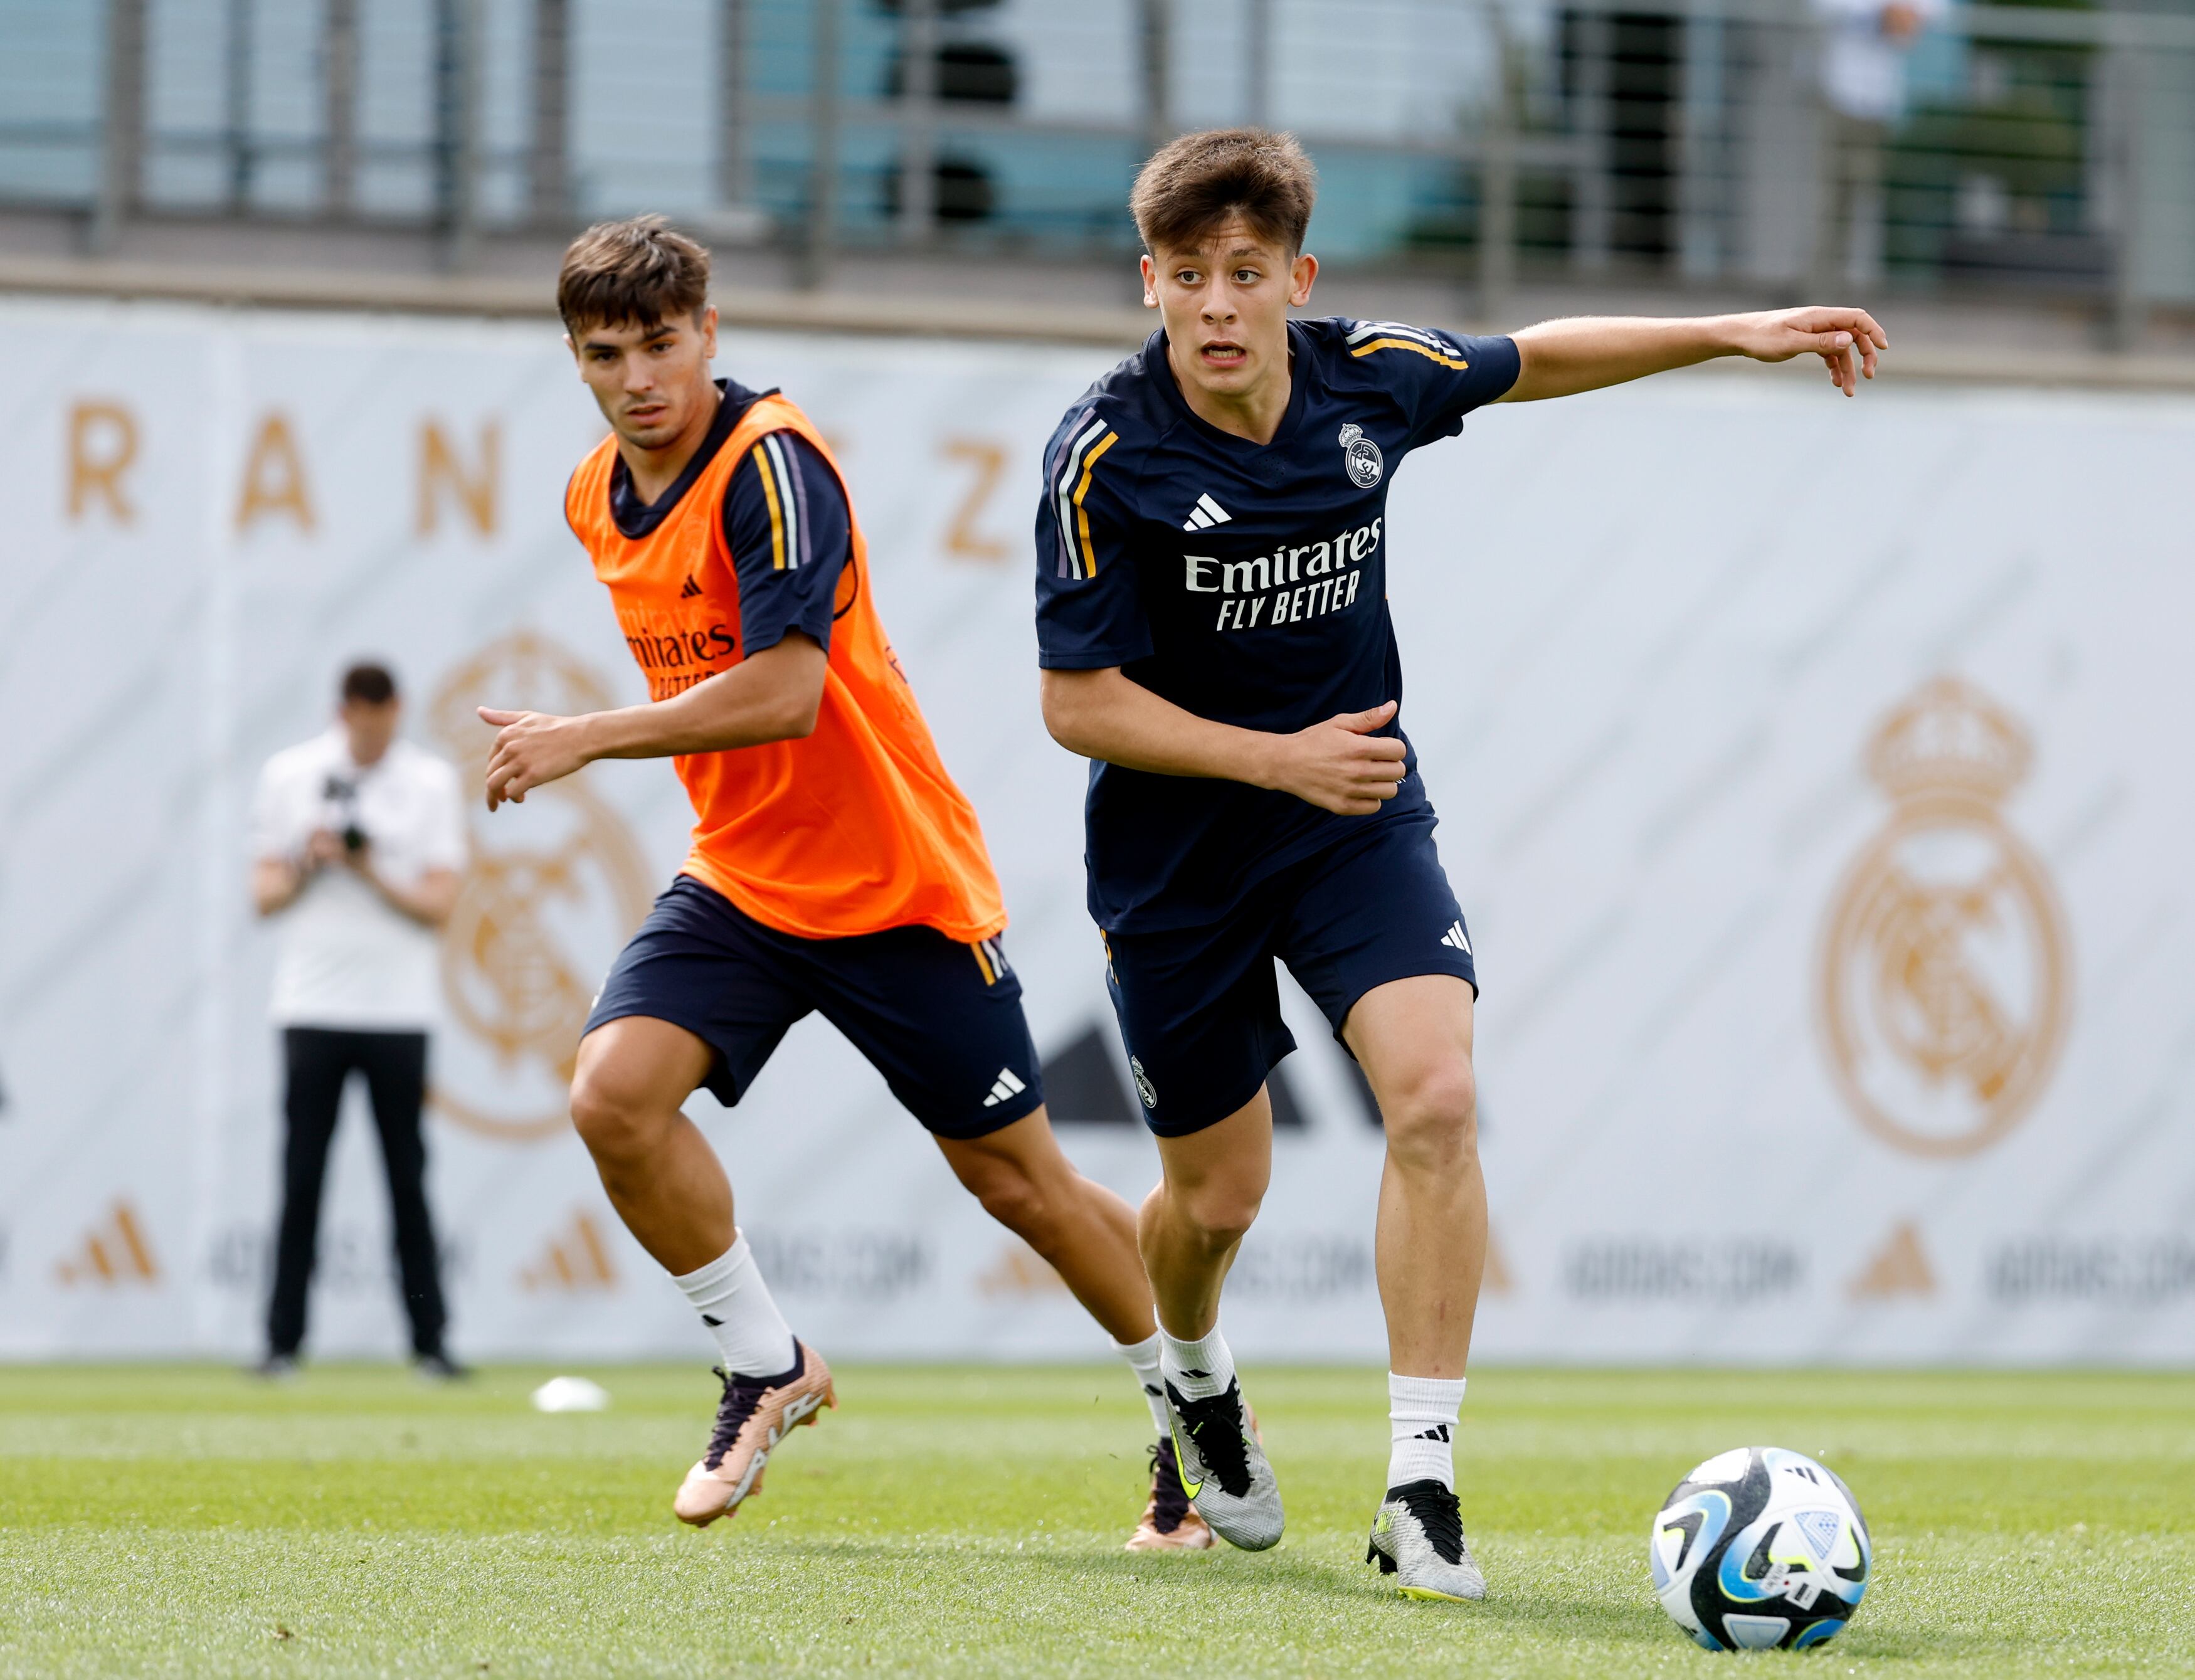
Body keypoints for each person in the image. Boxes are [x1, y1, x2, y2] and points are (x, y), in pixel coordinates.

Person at [1033, 128, 1885, 1600]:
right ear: (1151, 284)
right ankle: (1191, 1376)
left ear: (1297, 278)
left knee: (1433, 1094)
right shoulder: (1104, 450)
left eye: (1246, 274)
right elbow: (1075, 704)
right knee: (1217, 1199)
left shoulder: (1366, 373)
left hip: (1356, 814)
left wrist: (1732, 334)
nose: (1217, 304)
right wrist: (1271, 755)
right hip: (1177, 854)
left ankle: (1420, 1482)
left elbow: (1533, 357)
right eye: (1186, 276)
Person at [477, 216, 1205, 1550]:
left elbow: (786, 690)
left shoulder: (775, 467)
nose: (638, 376)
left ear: (707, 332)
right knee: (613, 1098)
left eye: (660, 343)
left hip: (894, 887)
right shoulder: (595, 493)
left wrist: (585, 734)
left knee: (1022, 1186)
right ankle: (765, 1361)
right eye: (605, 353)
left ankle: (1194, 1414)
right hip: (744, 882)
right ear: (575, 360)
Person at [249, 661, 468, 1379]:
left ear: (397, 711)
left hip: (399, 1010)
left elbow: (439, 907)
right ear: (341, 711)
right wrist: (309, 860)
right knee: (301, 1175)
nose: (369, 731)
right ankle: (281, 1344)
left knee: (406, 1177)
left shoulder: (430, 782)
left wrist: (370, 869)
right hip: (311, 1004)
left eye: (381, 718)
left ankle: (429, 1343)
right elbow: (264, 896)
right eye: (358, 718)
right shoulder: (290, 774)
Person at [1810, 0, 1945, 292]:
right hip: (1841, 95)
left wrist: (1909, 13)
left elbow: (1934, 12)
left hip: (1881, 104)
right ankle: (1821, 291)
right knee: (1832, 201)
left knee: (1866, 197)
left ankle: (1847, 293)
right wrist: (1880, 11)